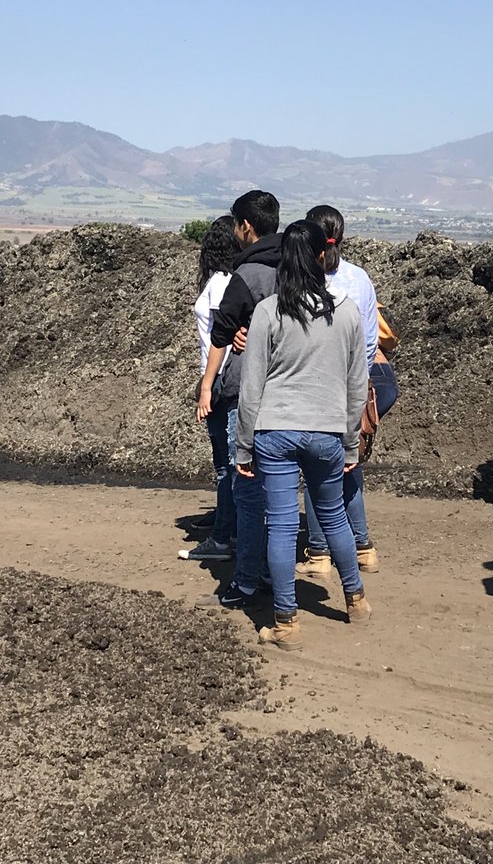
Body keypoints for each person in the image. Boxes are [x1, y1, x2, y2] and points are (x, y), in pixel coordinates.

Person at [235, 219, 371, 649]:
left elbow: (251, 385)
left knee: (279, 526)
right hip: (328, 432)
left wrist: (243, 447)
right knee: (333, 516)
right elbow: (356, 383)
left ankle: (286, 623)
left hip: (275, 430)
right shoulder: (347, 310)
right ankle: (356, 600)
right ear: (320, 255)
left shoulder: (268, 312)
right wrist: (351, 440)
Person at [195, 190, 282, 609]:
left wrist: (207, 384)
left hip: (248, 389)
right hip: (292, 392)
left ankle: (247, 579)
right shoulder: (300, 268)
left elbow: (220, 332)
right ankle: (274, 572)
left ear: (246, 227)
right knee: (278, 490)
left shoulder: (247, 274)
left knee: (245, 482)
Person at [296, 205, 382, 576]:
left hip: (317, 386)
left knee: (317, 468)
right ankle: (362, 546)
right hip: (355, 382)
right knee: (347, 465)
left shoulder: (306, 282)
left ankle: (319, 552)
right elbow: (369, 338)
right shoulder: (359, 279)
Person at [179, 216, 238, 561]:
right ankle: (224, 522)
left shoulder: (220, 283)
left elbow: (223, 335)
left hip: (219, 381)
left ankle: (222, 537)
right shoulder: (228, 281)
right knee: (225, 462)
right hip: (220, 380)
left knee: (225, 464)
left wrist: (207, 385)